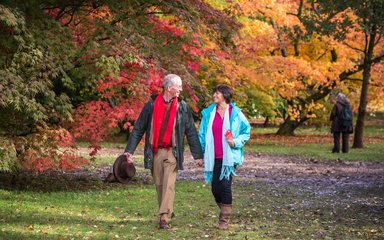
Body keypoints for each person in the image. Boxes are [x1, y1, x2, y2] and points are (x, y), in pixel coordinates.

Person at [123, 74, 203, 229]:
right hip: (155, 151)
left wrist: (197, 155)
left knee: (168, 184)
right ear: (168, 88)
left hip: (173, 152)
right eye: (178, 86)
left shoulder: (182, 107)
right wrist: (129, 151)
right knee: (160, 184)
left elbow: (191, 131)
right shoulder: (151, 105)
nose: (180, 89)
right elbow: (138, 129)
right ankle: (166, 212)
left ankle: (164, 218)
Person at [197, 84, 251, 230]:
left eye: (218, 93)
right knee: (215, 189)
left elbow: (246, 131)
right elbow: (202, 134)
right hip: (212, 156)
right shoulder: (209, 113)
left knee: (225, 186)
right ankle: (225, 209)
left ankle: (224, 220)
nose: (215, 95)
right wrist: (201, 154)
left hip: (229, 157)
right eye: (214, 92)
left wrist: (235, 142)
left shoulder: (236, 113)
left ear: (225, 95)